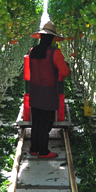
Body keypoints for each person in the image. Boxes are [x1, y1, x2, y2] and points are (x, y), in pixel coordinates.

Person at [27, 21, 70, 157]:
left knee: (36, 121)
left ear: (40, 37)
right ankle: (43, 151)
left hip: (34, 90)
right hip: (48, 91)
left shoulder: (33, 51)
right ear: (52, 39)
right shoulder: (55, 53)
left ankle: (34, 149)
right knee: (46, 122)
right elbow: (65, 72)